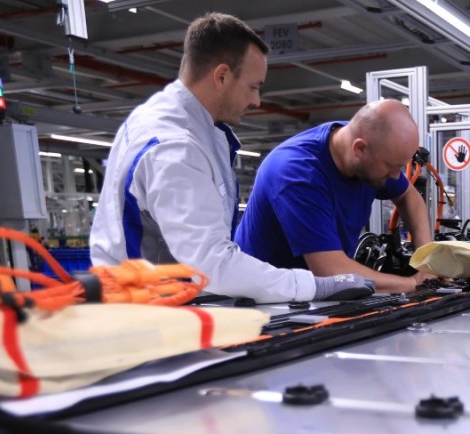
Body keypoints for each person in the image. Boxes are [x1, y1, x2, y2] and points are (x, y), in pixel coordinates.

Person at [90, 12, 373, 304]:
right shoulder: (175, 149)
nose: (257, 101)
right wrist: (315, 286)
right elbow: (213, 265)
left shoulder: (174, 120)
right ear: (222, 76)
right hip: (145, 312)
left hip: (161, 300)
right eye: (254, 86)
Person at [233, 99, 437, 294]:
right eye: (391, 167)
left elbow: (408, 196)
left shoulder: (367, 145)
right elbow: (331, 271)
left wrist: (427, 262)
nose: (395, 177)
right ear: (359, 149)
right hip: (264, 298)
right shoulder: (297, 173)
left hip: (318, 292)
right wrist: (412, 283)